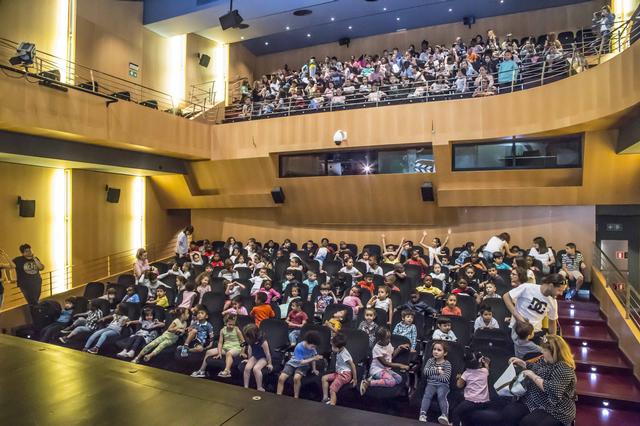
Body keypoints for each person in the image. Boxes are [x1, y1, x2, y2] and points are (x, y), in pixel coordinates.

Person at [503, 335, 576, 426]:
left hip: (556, 408)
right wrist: (522, 363)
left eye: (545, 350)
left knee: (527, 423)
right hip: (536, 400)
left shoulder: (564, 368)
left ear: (554, 352)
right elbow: (537, 367)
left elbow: (554, 390)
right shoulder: (545, 360)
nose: (542, 351)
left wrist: (533, 376)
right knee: (509, 413)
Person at [503, 274, 563, 340]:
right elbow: (506, 296)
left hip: (535, 333)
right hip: (517, 329)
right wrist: (518, 316)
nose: (561, 293)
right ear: (551, 286)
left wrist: (553, 339)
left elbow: (552, 322)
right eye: (559, 290)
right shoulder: (528, 287)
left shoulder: (553, 302)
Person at [190, 313, 244, 378]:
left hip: (236, 349)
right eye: (229, 324)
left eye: (233, 324)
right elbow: (220, 343)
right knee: (208, 352)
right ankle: (202, 370)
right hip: (225, 348)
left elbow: (243, 342)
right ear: (225, 323)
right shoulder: (222, 330)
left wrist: (242, 352)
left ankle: (227, 371)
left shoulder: (237, 330)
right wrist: (219, 353)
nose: (231, 326)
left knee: (229, 353)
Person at [360, 327, 409, 395]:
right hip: (377, 370)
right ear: (380, 339)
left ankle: (373, 379)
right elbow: (385, 363)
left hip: (385, 370)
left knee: (399, 379)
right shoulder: (376, 349)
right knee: (392, 382)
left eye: (389, 337)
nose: (389, 340)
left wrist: (399, 348)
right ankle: (368, 383)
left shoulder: (388, 343)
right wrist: (400, 365)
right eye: (387, 338)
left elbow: (391, 355)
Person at [277, 331, 323, 398]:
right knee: (281, 378)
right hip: (292, 363)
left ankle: (296, 397)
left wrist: (314, 369)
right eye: (312, 346)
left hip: (303, 366)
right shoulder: (299, 347)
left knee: (296, 378)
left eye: (314, 347)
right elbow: (301, 362)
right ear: (306, 342)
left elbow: (313, 359)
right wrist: (313, 358)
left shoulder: (313, 349)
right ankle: (278, 396)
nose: (313, 348)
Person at [451, 351, 491, 426]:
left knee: (455, 413)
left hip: (471, 402)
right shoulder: (485, 371)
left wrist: (459, 378)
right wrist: (486, 363)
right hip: (484, 402)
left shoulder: (466, 373)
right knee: (466, 412)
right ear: (480, 362)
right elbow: (487, 367)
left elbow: (459, 385)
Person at [419, 341, 452, 424]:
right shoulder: (430, 361)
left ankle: (445, 416)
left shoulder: (447, 364)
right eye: (434, 349)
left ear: (445, 353)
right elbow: (425, 372)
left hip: (443, 385)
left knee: (441, 396)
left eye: (439, 350)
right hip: (431, 384)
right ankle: (422, 414)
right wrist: (437, 371)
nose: (436, 351)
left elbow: (445, 378)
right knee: (427, 395)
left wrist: (431, 375)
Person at [322, 332, 357, 405]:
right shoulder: (340, 349)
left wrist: (355, 379)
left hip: (345, 375)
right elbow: (337, 336)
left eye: (334, 347)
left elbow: (352, 365)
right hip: (338, 373)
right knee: (324, 378)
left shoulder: (344, 354)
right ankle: (325, 398)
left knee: (332, 389)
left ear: (340, 347)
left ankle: (332, 405)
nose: (332, 348)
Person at [242, 323, 273, 391]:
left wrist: (270, 363)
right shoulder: (250, 340)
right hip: (255, 355)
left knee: (256, 369)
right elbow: (250, 350)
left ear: (253, 335)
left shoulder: (263, 341)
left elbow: (267, 353)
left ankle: (259, 387)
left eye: (248, 336)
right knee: (247, 368)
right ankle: (245, 387)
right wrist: (249, 359)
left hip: (263, 357)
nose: (247, 338)